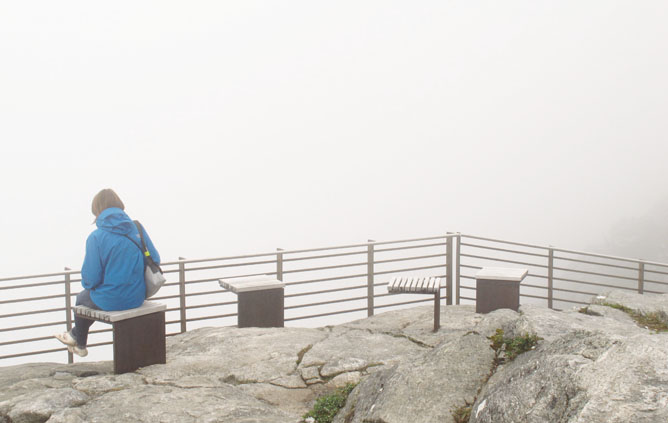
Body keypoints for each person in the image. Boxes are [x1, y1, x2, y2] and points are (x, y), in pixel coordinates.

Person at [55, 188, 160, 357]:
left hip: (112, 299)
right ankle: (76, 338)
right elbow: (155, 258)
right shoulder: (137, 228)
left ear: (97, 210)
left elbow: (90, 280)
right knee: (88, 299)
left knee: (82, 299)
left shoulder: (96, 237)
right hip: (137, 296)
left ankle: (79, 341)